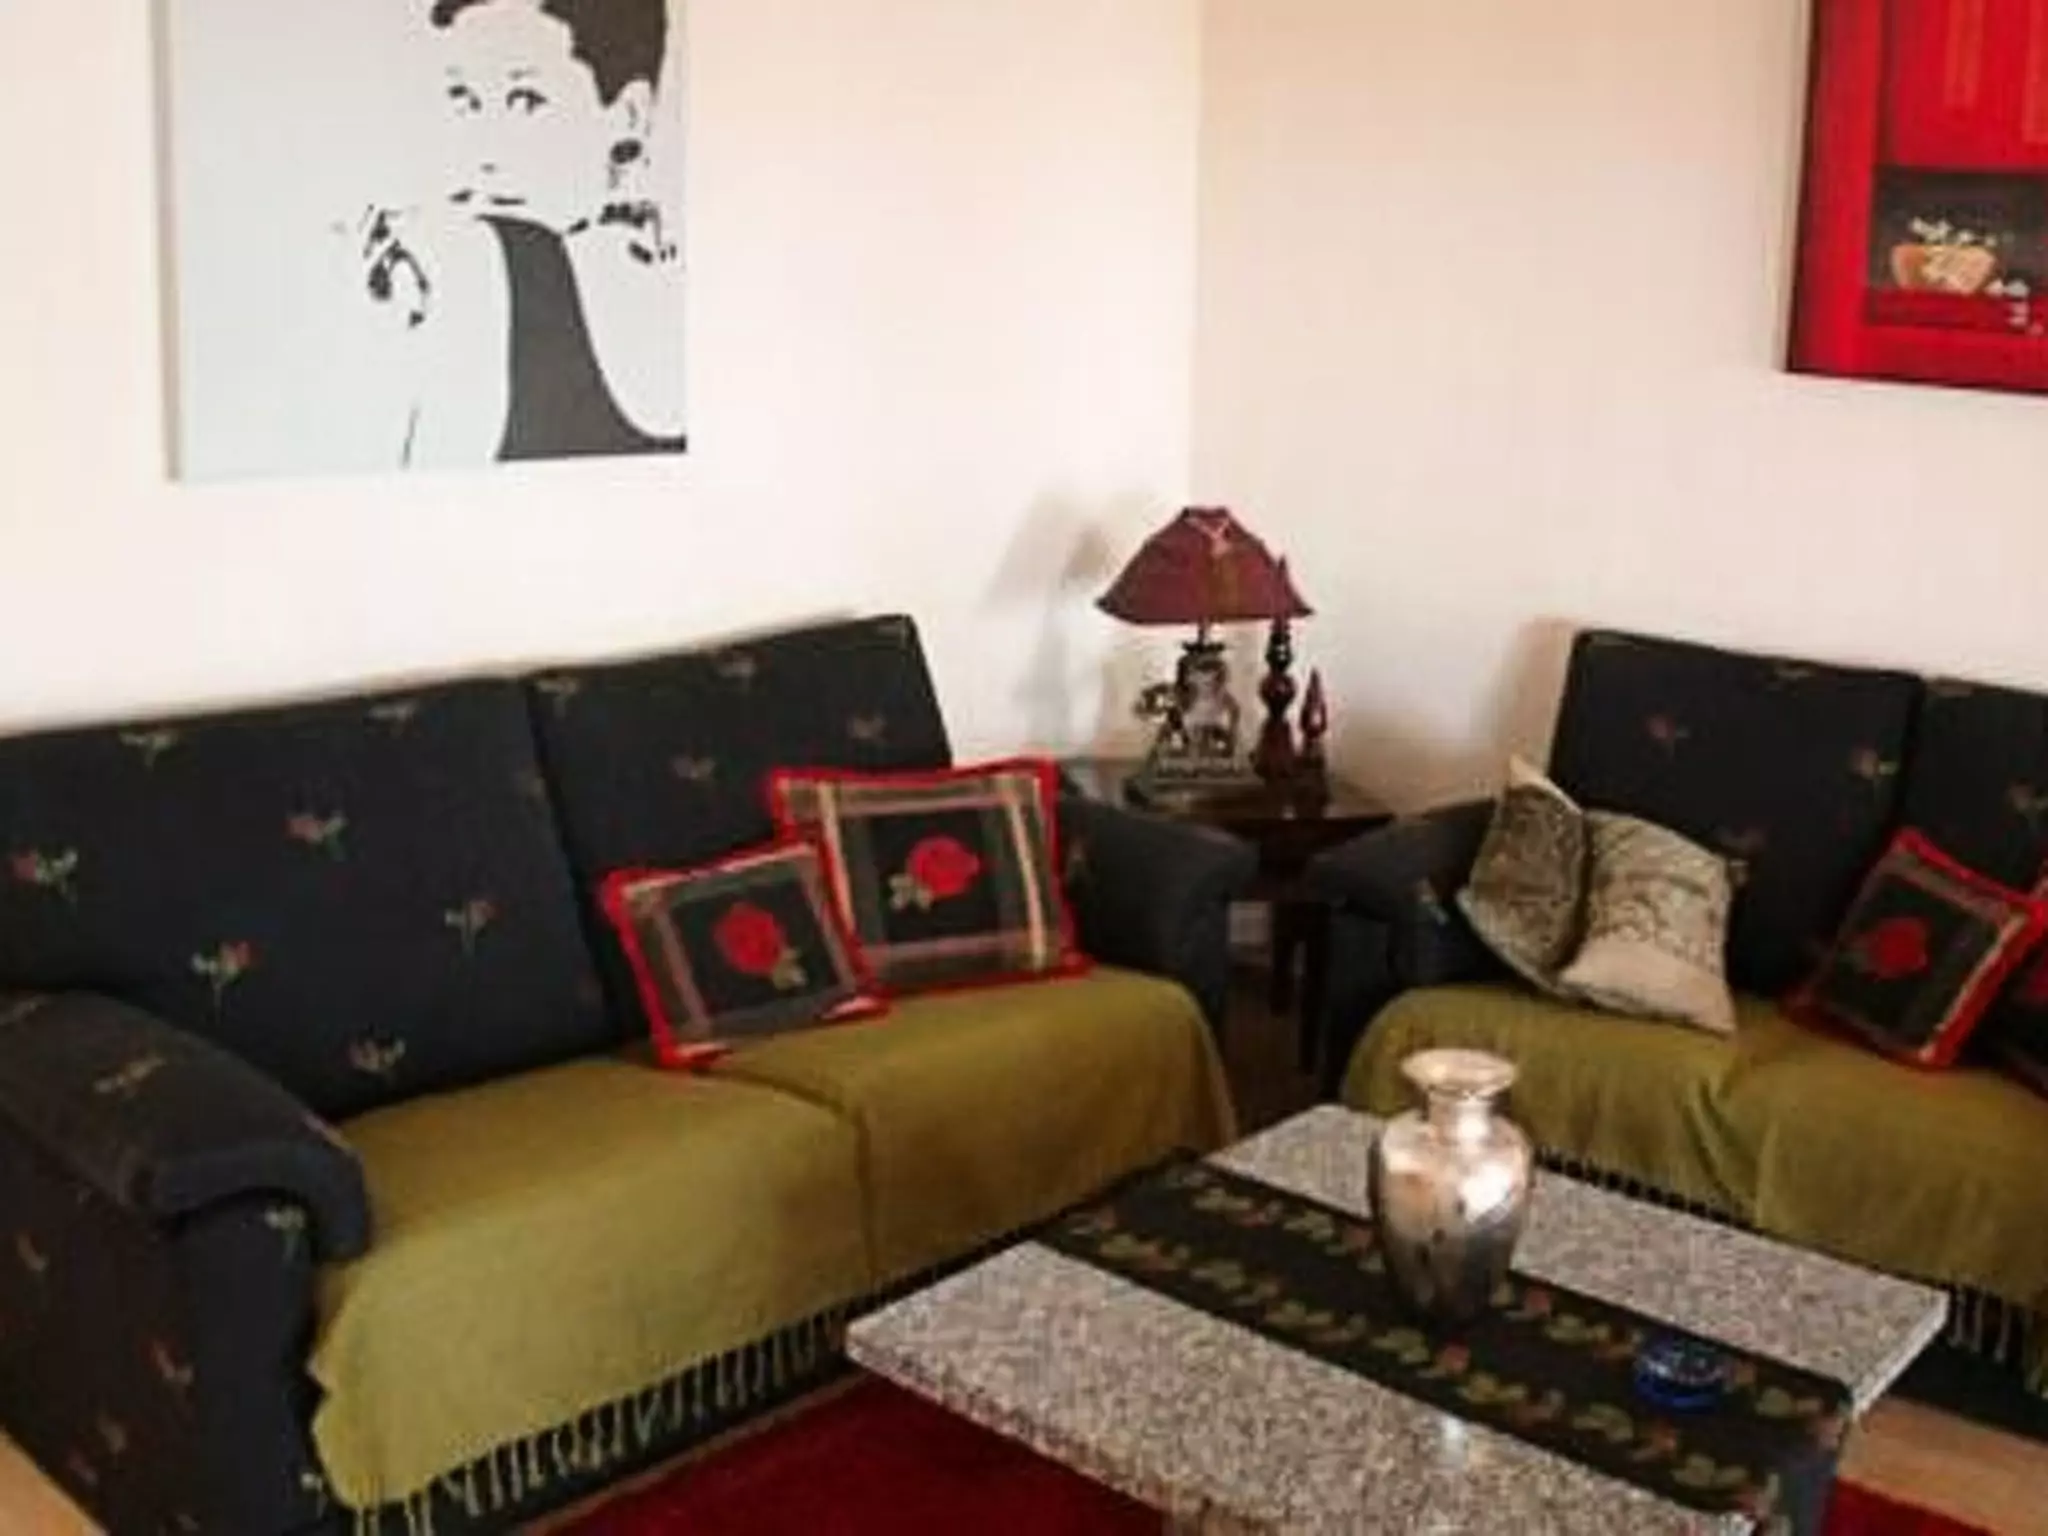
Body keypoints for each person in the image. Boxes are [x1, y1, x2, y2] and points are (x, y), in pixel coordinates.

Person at [351, 0, 687, 465]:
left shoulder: (475, 267)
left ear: (628, 116)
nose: (484, 153)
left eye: (526, 101)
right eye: (465, 100)